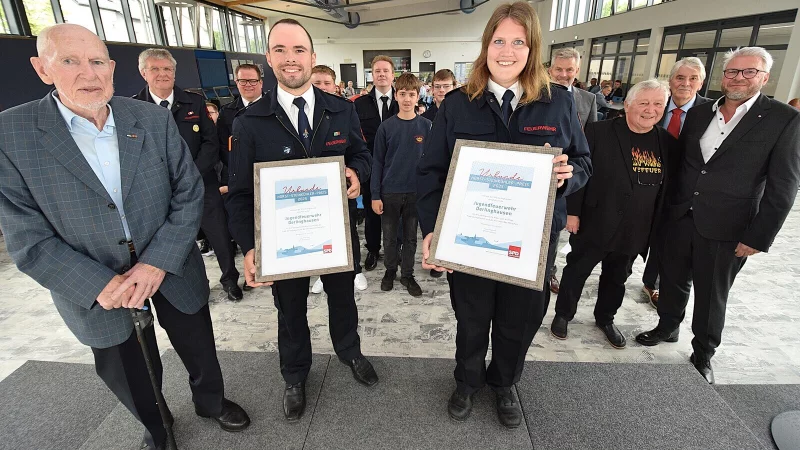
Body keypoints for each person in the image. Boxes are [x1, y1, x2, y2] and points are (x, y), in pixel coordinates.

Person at [0, 24, 250, 450]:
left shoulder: (152, 118)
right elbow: (27, 236)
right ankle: (158, 427)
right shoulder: (12, 134)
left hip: (170, 267)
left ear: (112, 67)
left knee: (199, 346)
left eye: (97, 61)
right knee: (129, 369)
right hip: (96, 286)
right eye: (70, 61)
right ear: (42, 69)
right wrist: (99, 284)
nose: (89, 73)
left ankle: (211, 402)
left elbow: (188, 191)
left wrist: (157, 262)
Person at [417, 1, 591, 429]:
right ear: (486, 45)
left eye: (518, 41)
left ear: (532, 48)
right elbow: (431, 173)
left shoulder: (557, 103)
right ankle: (467, 380)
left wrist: (569, 176)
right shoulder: (458, 104)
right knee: (472, 318)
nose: (507, 51)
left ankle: (504, 381)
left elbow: (584, 162)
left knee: (520, 321)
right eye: (499, 40)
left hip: (531, 243)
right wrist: (433, 230)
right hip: (470, 240)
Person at [226, 18, 378, 421]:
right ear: (268, 59)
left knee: (343, 300)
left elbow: (363, 155)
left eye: (298, 50)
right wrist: (251, 247)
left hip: (335, 234)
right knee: (289, 310)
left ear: (312, 57)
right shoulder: (250, 122)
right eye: (280, 50)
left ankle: (350, 351)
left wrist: (356, 174)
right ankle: (295, 375)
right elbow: (240, 193)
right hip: (283, 243)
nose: (290, 59)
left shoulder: (341, 111)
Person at [635, 47, 800, 384]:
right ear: (722, 76)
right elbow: (682, 166)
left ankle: (704, 352)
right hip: (681, 217)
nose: (738, 78)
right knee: (673, 280)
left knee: (712, 294)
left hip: (729, 226)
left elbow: (784, 184)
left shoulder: (783, 119)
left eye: (748, 72)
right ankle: (667, 327)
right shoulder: (699, 114)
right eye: (732, 72)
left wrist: (758, 236)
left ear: (764, 77)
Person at [550, 80, 673, 348]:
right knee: (577, 271)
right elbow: (580, 172)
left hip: (635, 228)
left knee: (617, 279)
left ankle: (605, 318)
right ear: (627, 104)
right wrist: (573, 213)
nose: (650, 110)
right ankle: (563, 314)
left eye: (658, 104)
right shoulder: (598, 131)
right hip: (595, 220)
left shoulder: (665, 141)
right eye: (643, 103)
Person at [133, 49, 242, 302]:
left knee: (219, 235)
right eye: (155, 69)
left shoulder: (194, 102)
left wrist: (188, 174)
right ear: (143, 73)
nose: (162, 74)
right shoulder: (134, 107)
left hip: (200, 183)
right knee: (171, 240)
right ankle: (191, 284)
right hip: (158, 190)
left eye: (167, 69)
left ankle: (229, 279)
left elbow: (210, 142)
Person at [640, 57, 711, 308]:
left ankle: (655, 283)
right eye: (680, 77)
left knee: (672, 241)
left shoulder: (711, 113)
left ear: (701, 83)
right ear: (670, 81)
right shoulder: (654, 106)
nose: (685, 83)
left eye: (693, 78)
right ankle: (639, 277)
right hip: (647, 185)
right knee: (647, 234)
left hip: (687, 193)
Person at [309, 64, 369, 293]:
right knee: (316, 234)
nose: (322, 87)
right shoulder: (298, 114)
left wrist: (356, 172)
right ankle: (322, 275)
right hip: (309, 192)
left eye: (326, 83)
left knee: (348, 232)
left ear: (336, 86)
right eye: (317, 83)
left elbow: (360, 151)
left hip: (340, 190)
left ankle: (355, 269)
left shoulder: (345, 111)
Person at [371, 73, 430, 297]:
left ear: (418, 97)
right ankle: (390, 270)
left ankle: (407, 274)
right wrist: (375, 195)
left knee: (410, 238)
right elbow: (377, 162)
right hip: (390, 193)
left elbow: (430, 165)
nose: (407, 99)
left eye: (411, 95)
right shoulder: (386, 128)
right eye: (403, 94)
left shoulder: (426, 126)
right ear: (396, 96)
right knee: (389, 237)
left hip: (415, 193)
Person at [546, 47, 598, 295]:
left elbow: (591, 142)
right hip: (546, 177)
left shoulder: (588, 100)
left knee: (557, 231)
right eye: (559, 69)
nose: (564, 74)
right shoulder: (538, 97)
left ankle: (549, 272)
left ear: (577, 71)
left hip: (572, 177)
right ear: (550, 70)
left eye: (569, 70)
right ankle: (544, 271)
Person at [354, 55, 399, 271]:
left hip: (398, 168)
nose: (381, 74)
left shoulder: (403, 101)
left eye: (385, 71)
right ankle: (372, 249)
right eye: (377, 71)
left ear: (392, 75)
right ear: (372, 75)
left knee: (396, 210)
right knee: (372, 212)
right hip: (371, 166)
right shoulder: (359, 105)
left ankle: (395, 249)